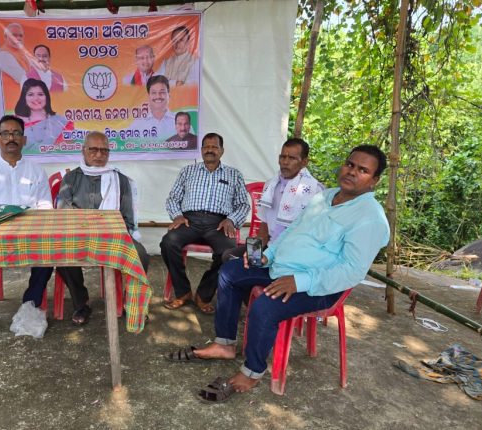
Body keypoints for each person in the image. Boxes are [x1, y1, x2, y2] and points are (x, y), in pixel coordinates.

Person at [167, 145, 390, 403]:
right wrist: (268, 256)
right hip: (282, 267)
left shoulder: (370, 218)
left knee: (265, 305)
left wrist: (299, 281)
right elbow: (292, 231)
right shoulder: (325, 196)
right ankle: (224, 344)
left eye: (363, 170)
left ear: (374, 180)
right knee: (230, 272)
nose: (352, 172)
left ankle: (252, 371)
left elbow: (352, 271)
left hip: (317, 285)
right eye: (350, 164)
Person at [0, 115, 55, 340]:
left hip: (29, 234)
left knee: (49, 254)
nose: (11, 138)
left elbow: (45, 207)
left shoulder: (36, 171)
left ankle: (29, 305)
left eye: (16, 133)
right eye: (6, 134)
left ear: (24, 140)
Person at [56, 132, 150, 325]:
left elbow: (126, 217)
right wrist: (88, 228)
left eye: (104, 150)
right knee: (61, 255)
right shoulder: (71, 178)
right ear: (83, 151)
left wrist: (111, 232)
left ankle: (131, 302)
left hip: (113, 236)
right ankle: (81, 303)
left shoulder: (119, 179)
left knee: (141, 255)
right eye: (93, 149)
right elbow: (64, 214)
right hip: (79, 236)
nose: (99, 155)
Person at [160, 133, 250, 314]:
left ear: (222, 151)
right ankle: (183, 291)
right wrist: (177, 216)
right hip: (189, 221)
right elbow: (173, 198)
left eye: (214, 147)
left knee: (229, 252)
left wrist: (231, 220)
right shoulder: (187, 171)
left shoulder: (234, 174)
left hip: (218, 223)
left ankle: (204, 294)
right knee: (168, 243)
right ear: (201, 150)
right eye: (206, 147)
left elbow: (243, 204)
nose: (210, 150)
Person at [222, 138, 324, 261]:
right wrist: (253, 254)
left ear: (304, 162)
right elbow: (264, 227)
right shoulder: (271, 186)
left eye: (292, 158)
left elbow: (315, 234)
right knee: (228, 256)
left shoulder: (315, 192)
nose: (285, 162)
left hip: (295, 253)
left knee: (237, 268)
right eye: (283, 157)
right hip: (269, 246)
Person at [14, 78, 73, 151]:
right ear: (24, 98)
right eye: (31, 94)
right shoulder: (14, 122)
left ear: (46, 97)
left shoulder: (63, 122)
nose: (36, 98)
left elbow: (66, 150)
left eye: (40, 94)